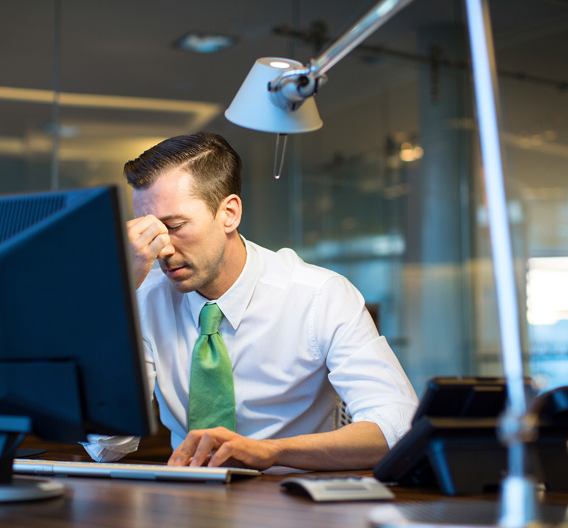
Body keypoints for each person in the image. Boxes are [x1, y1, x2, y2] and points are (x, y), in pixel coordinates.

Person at [84, 131, 418, 470]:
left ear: (229, 213)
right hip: (188, 501)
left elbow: (397, 426)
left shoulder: (320, 296)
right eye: (148, 232)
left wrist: (272, 452)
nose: (162, 249)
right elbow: (108, 445)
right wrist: (116, 299)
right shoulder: (143, 296)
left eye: (175, 226)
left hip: (293, 500)